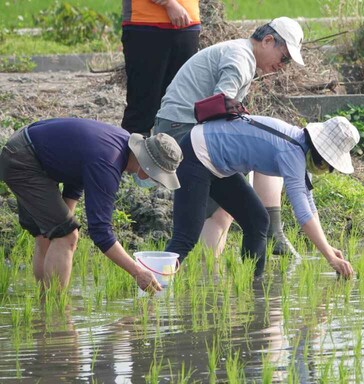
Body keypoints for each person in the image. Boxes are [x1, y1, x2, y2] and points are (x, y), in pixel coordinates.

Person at [154, 16, 305, 257]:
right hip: (181, 129)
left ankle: (210, 279)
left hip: (183, 126)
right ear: (268, 40)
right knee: (219, 213)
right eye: (284, 58)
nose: (283, 66)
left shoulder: (241, 53)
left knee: (225, 211)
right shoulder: (240, 59)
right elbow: (219, 107)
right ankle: (208, 278)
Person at [0, 118, 183, 292]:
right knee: (66, 235)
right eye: (159, 175)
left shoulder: (119, 144)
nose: (157, 181)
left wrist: (66, 217)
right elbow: (101, 232)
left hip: (25, 147)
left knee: (48, 235)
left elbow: (77, 170)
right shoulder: (109, 162)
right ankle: (56, 313)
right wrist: (137, 272)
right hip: (24, 161)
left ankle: (45, 308)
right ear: (148, 166)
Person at [166, 115, 359, 278]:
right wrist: (330, 258)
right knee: (186, 237)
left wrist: (328, 246)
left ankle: (254, 288)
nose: (324, 169)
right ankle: (154, 286)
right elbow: (302, 215)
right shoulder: (292, 152)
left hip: (219, 165)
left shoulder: (301, 148)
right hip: (197, 154)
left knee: (257, 220)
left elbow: (309, 204)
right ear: (319, 153)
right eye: (326, 164)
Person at [121, 0, 200, 136]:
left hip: (188, 24)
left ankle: (171, 155)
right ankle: (132, 156)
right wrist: (169, 4)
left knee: (180, 108)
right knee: (143, 108)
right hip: (146, 24)